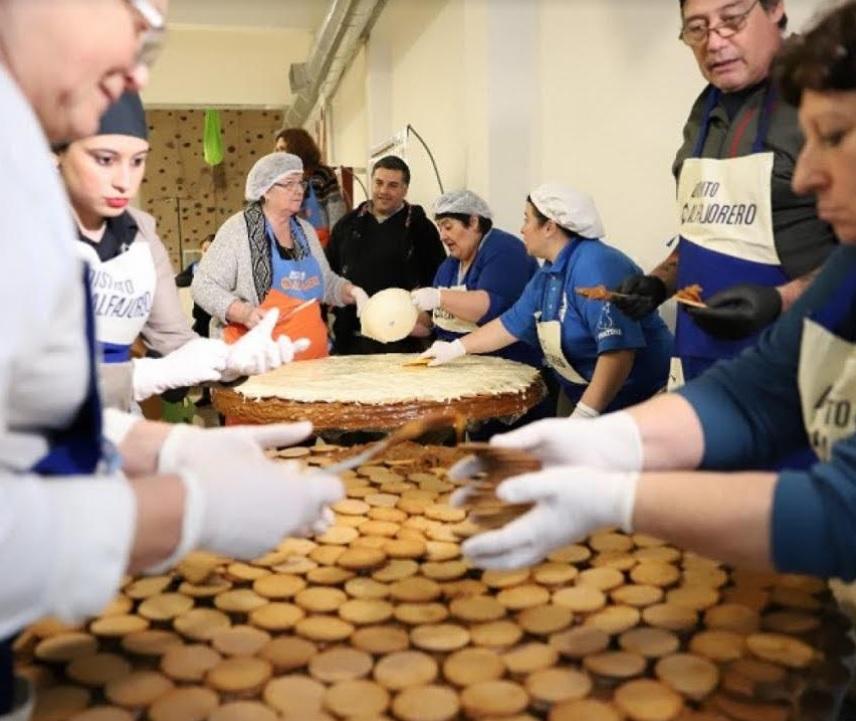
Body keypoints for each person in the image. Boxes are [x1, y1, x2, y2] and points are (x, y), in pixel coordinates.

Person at [0, 3, 342, 717]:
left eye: (136, 162)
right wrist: (188, 505)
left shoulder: (129, 231)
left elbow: (39, 409)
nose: (135, 70)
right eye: (132, 24)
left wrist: (175, 430)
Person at [455, 1, 856, 587]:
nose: (804, 176)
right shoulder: (846, 269)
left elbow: (839, 513)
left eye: (836, 136)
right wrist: (614, 443)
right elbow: (752, 398)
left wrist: (616, 497)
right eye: (696, 29)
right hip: (712, 355)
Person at [614, 0, 837, 387]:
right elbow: (708, 227)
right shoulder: (705, 110)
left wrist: (781, 299)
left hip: (800, 357)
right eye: (697, 29)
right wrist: (658, 283)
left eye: (732, 20)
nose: (714, 43)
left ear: (775, 10)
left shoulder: (824, 93)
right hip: (699, 355)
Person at [58, 92, 299, 407]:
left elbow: (175, 341)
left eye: (137, 160)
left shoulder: (140, 235)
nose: (125, 181)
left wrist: (228, 362)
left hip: (115, 427)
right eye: (105, 159)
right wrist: (144, 377)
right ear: (56, 153)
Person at [421, 184, 673, 418]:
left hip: (635, 400)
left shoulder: (596, 266)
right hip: (583, 391)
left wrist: (586, 412)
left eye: (527, 219)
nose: (522, 229)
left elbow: (618, 352)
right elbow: (510, 324)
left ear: (550, 227)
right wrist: (456, 348)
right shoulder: (549, 273)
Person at [191, 152, 368, 360]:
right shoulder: (238, 231)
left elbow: (324, 283)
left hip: (311, 362)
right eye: (288, 183)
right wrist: (244, 313)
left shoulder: (305, 231)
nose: (298, 190)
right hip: (256, 363)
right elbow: (203, 286)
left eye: (300, 183)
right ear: (265, 190)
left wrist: (353, 292)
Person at [326, 155, 446, 355]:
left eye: (392, 185)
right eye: (379, 183)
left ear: (405, 189)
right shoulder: (347, 225)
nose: (383, 191)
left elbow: (438, 281)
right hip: (352, 339)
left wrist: (427, 322)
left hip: (404, 341)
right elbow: (328, 276)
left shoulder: (421, 229)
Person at [411, 190, 540, 368]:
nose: (442, 236)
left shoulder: (505, 251)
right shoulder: (449, 266)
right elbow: (432, 322)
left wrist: (439, 297)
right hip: (461, 367)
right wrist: (402, 318)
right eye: (439, 228)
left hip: (507, 368)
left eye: (448, 227)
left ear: (473, 221)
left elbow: (486, 307)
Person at [274, 127, 347, 247]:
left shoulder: (322, 174)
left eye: (282, 149)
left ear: (297, 148)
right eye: (276, 150)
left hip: (322, 246)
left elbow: (336, 214)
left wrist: (335, 246)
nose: (277, 154)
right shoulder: (279, 180)